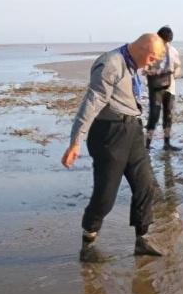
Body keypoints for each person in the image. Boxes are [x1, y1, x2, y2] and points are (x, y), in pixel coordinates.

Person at [61, 34, 166, 262]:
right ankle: (88, 243)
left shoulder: (132, 64)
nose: (152, 63)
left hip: (132, 131)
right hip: (109, 134)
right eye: (152, 57)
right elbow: (92, 102)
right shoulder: (110, 63)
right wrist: (75, 141)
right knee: (105, 195)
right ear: (142, 49)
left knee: (145, 185)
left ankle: (142, 239)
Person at [144, 25, 182, 151]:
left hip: (170, 87)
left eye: (167, 41)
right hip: (155, 87)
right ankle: (147, 144)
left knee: (168, 114)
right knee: (154, 115)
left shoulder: (173, 51)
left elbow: (178, 66)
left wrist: (174, 75)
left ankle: (167, 143)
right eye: (163, 41)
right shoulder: (151, 51)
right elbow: (144, 67)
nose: (165, 43)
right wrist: (150, 71)